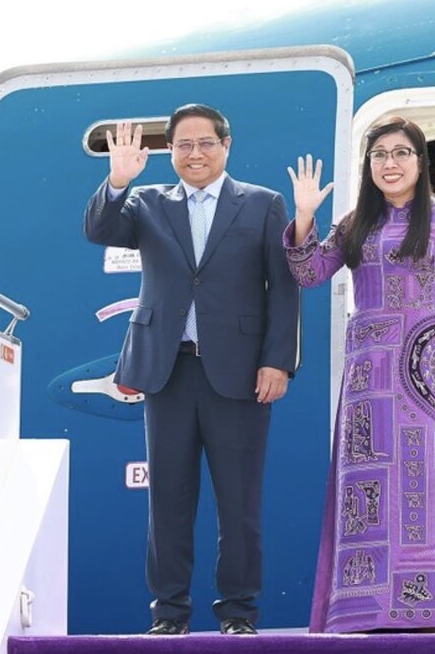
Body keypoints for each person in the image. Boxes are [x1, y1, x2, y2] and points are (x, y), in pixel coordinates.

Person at [84, 104, 300, 636]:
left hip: (241, 374)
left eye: (205, 143)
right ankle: (169, 613)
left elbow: (285, 289)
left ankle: (239, 612)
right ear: (172, 152)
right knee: (169, 502)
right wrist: (117, 179)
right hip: (168, 372)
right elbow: (100, 230)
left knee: (240, 504)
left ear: (226, 146)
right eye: (183, 145)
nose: (195, 153)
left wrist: (278, 362)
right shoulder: (147, 202)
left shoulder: (265, 205)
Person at [282, 116, 435, 633]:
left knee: (426, 481)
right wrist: (305, 217)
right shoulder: (355, 223)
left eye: (400, 153)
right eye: (379, 155)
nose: (389, 163)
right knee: (367, 484)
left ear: (420, 162)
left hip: (427, 373)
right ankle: (362, 608)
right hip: (367, 382)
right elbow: (308, 272)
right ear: (368, 165)